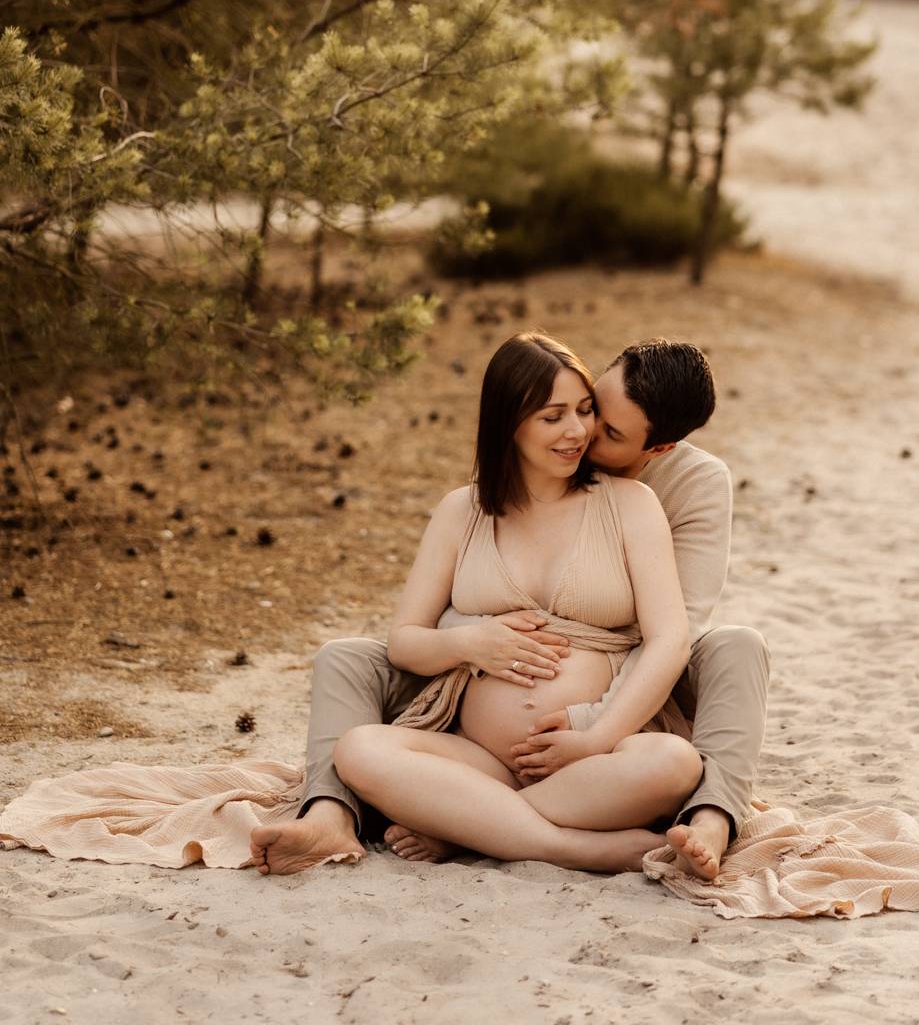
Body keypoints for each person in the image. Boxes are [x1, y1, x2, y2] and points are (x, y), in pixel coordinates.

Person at [251, 336, 770, 879]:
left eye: (596, 422)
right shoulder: (471, 504)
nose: (581, 432)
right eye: (570, 411)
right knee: (357, 741)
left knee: (677, 757)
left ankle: (464, 821)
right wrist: (474, 640)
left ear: (656, 447)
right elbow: (414, 627)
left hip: (602, 739)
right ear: (513, 423)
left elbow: (670, 634)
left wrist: (592, 732)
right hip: (480, 747)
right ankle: (561, 845)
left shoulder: (656, 498)